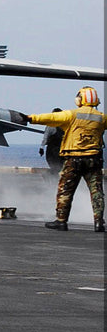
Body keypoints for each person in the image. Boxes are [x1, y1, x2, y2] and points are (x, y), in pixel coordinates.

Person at [24, 86, 105, 232]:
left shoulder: (72, 115)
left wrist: (30, 118)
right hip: (94, 159)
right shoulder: (102, 118)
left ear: (80, 99)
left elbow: (51, 118)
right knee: (97, 191)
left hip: (73, 160)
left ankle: (61, 221)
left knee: (65, 190)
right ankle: (99, 222)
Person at [39, 108, 65, 176]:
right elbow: (46, 137)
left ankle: (53, 181)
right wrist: (42, 148)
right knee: (55, 168)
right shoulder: (51, 126)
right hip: (52, 151)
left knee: (61, 168)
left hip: (62, 151)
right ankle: (49, 178)